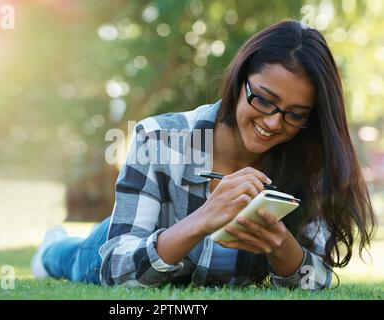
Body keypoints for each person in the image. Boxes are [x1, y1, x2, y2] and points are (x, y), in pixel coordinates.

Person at [31, 20, 376, 290]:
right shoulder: (159, 137)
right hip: (123, 240)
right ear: (240, 79)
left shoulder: (312, 162)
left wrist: (283, 248)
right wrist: (202, 219)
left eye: (295, 113)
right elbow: (117, 268)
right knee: (73, 260)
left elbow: (317, 281)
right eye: (264, 100)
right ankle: (52, 247)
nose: (273, 123)